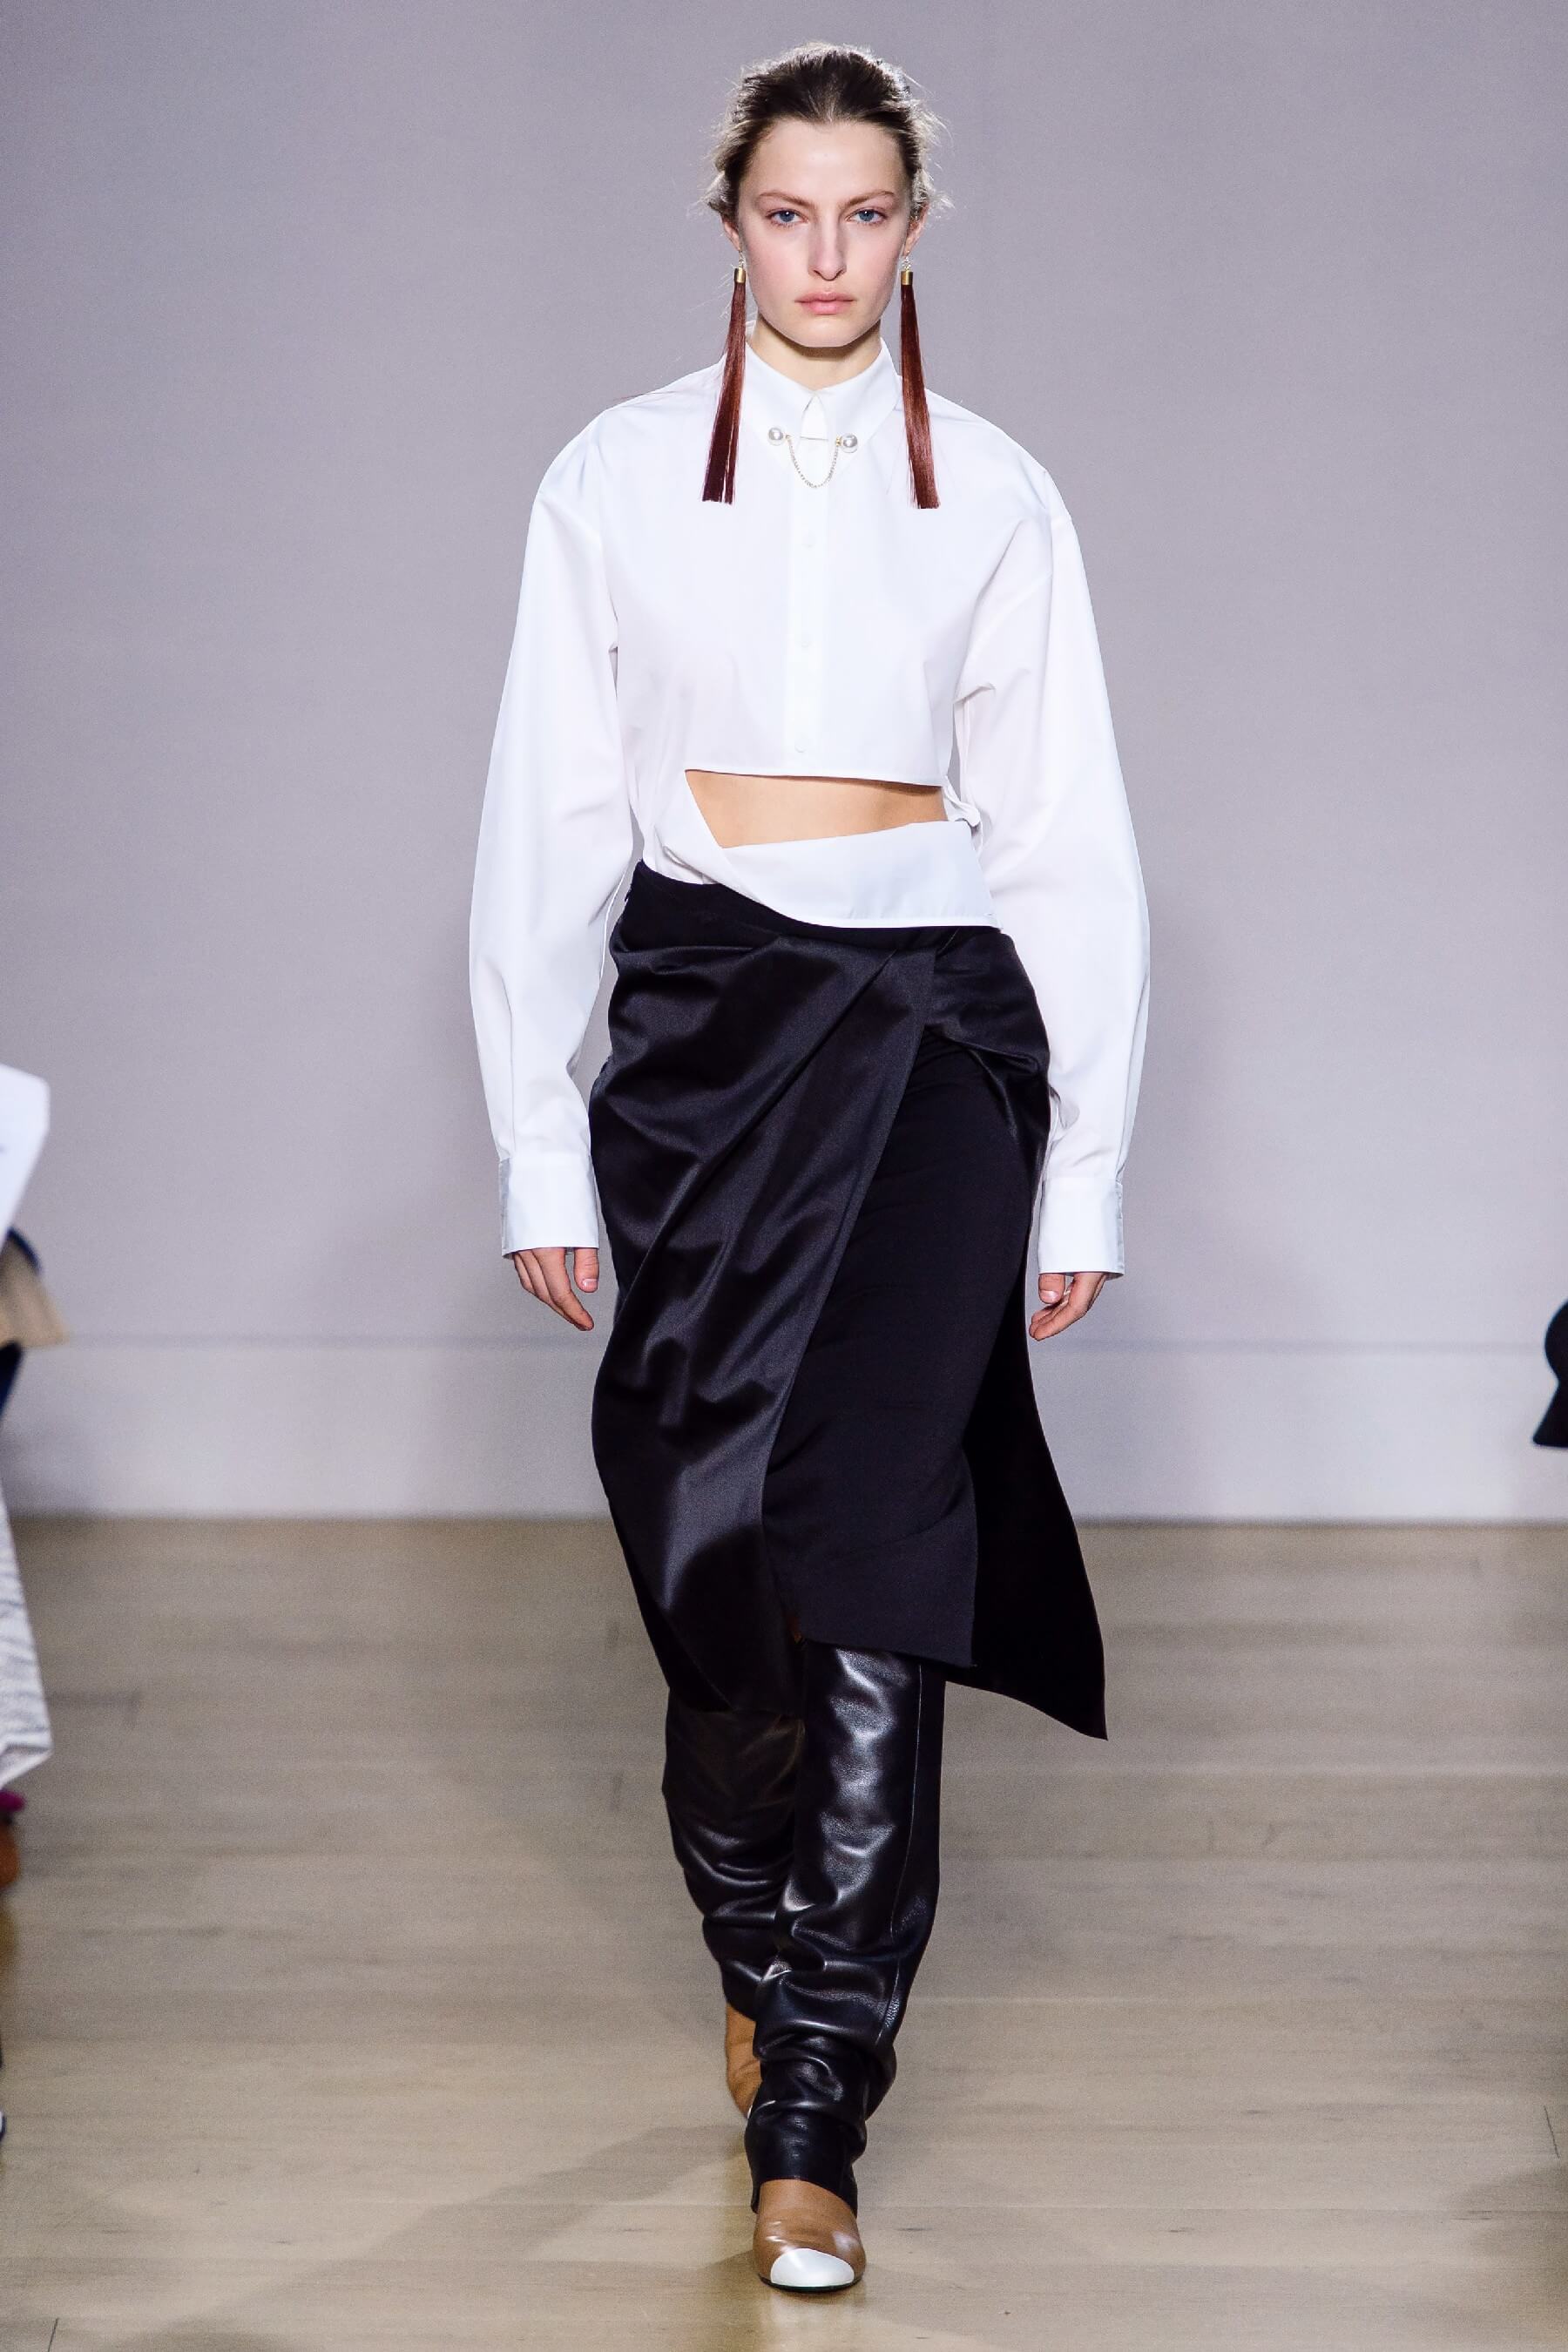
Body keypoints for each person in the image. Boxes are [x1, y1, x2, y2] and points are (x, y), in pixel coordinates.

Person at [469, 41, 1150, 2295]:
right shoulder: (612, 476)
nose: (829, 253)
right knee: (712, 1567)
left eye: (867, 214)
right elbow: (551, 812)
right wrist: (538, 1133)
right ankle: (759, 1962)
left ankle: (821, 2105)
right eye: (791, 212)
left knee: (876, 1554)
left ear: (914, 231)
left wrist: (1084, 1171)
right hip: (697, 1039)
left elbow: (1068, 845)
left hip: (935, 1039)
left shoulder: (1004, 495)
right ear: (732, 224)